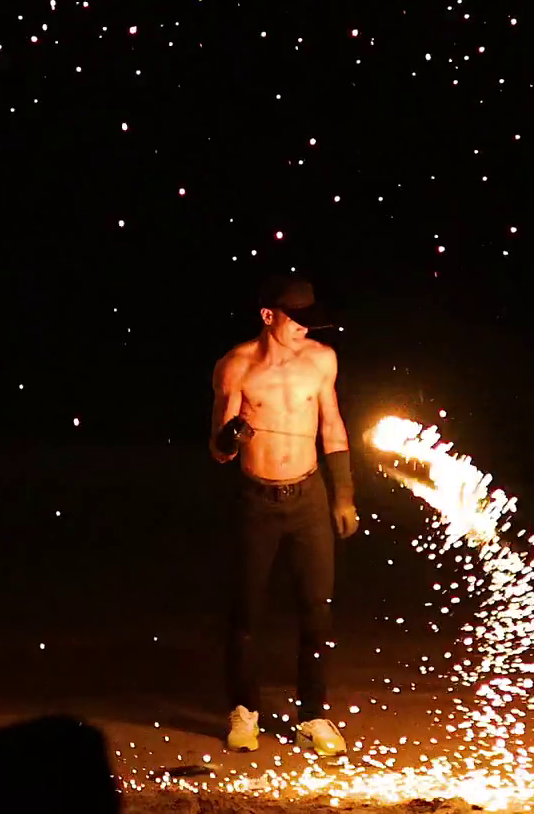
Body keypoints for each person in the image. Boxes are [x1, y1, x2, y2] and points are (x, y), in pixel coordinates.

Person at [209, 274, 359, 757]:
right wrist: (232, 437)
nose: (304, 328)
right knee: (247, 611)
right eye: (296, 319)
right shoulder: (236, 367)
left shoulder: (321, 360)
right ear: (267, 315)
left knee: (317, 611)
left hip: (308, 498)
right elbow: (219, 450)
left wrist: (343, 495)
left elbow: (332, 426)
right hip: (257, 502)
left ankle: (311, 716)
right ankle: (244, 710)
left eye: (309, 320)